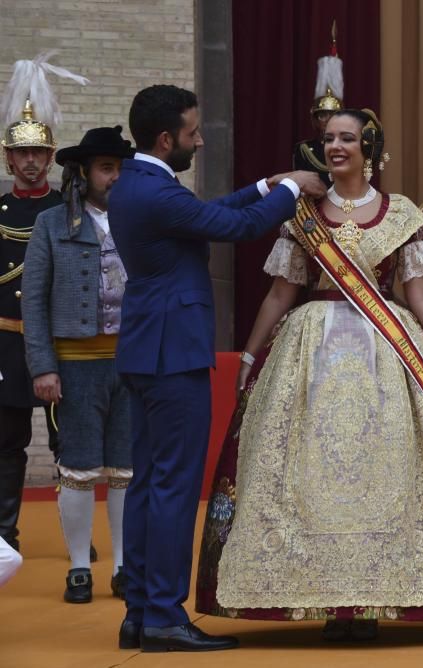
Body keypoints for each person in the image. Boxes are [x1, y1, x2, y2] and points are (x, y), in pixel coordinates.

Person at [196, 107, 423, 642]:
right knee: (309, 470)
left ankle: (375, 599)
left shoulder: (400, 213)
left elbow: (418, 294)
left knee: (384, 467)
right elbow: (280, 292)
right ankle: (327, 601)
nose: (336, 146)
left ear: (370, 148)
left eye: (347, 138)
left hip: (387, 351)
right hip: (311, 349)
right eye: (328, 139)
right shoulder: (303, 212)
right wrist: (248, 356)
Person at [108, 84, 325, 653]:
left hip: (146, 348)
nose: (199, 139)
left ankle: (139, 610)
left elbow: (204, 215)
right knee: (176, 487)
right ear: (165, 138)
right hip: (172, 352)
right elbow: (233, 229)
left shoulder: (138, 182)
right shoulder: (155, 191)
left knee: (148, 484)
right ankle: (163, 615)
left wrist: (263, 186)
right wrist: (292, 192)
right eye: (192, 131)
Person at [21, 126, 136, 604]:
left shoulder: (139, 220)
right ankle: (79, 567)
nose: (114, 177)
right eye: (106, 168)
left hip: (131, 362)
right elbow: (35, 304)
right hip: (76, 364)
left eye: (119, 168)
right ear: (84, 172)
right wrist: (43, 367)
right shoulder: (52, 224)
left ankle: (126, 566)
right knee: (80, 468)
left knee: (126, 470)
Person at [0, 52, 85, 554]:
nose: (30, 161)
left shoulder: (67, 211)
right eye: (20, 154)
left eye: (38, 154)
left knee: (67, 446)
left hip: (57, 344)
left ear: (50, 157)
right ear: (8, 157)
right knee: (7, 446)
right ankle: (4, 535)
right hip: (7, 342)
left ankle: (75, 538)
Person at [292, 32, 343, 188]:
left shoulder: (350, 147)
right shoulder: (305, 149)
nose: (327, 120)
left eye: (332, 115)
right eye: (322, 115)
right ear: (315, 119)